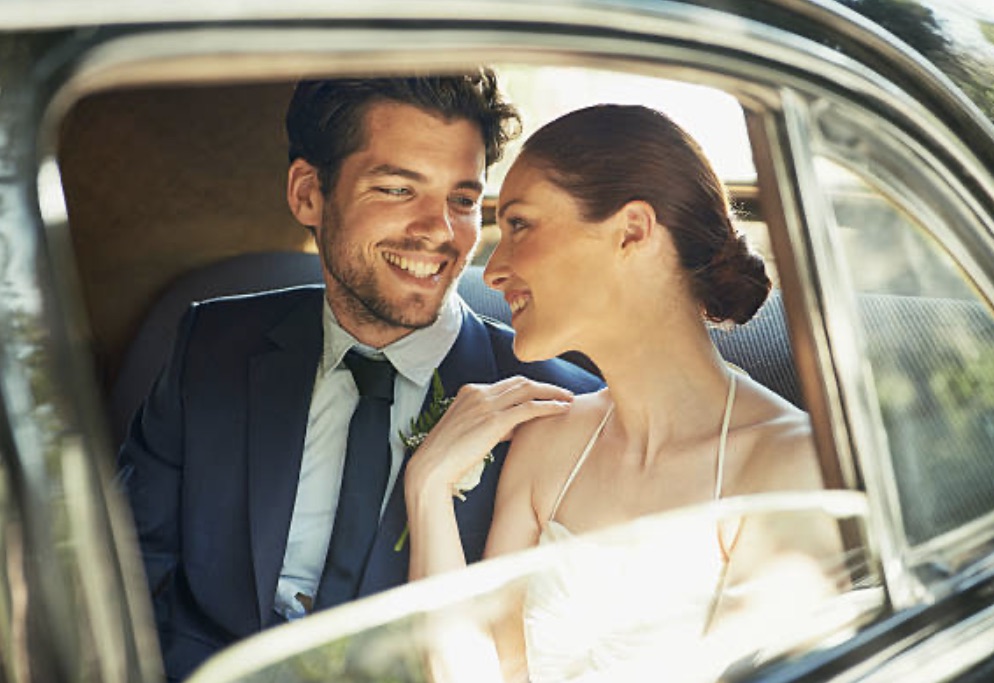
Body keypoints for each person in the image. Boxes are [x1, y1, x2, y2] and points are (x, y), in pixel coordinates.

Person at [117, 72, 602, 681]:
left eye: (462, 200)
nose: (439, 231)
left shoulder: (559, 406)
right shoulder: (210, 347)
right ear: (308, 195)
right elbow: (122, 577)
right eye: (399, 189)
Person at [404, 104, 840, 681]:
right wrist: (428, 487)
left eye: (520, 225)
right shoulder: (548, 442)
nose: (494, 269)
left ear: (632, 230)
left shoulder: (787, 464)